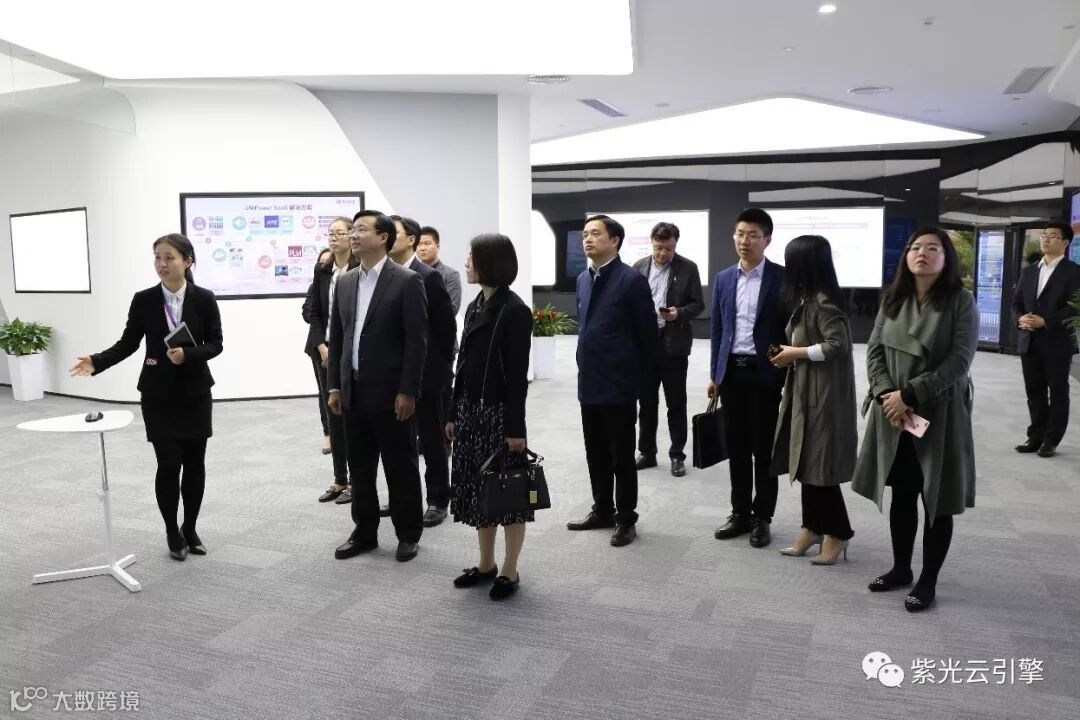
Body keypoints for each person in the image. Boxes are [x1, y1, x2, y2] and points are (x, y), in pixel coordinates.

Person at [70, 234, 223, 561]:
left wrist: (188, 354)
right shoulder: (144, 300)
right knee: (168, 464)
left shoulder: (205, 299)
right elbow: (128, 343)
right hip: (158, 395)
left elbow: (216, 344)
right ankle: (171, 531)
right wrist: (97, 361)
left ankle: (190, 528)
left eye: (169, 257)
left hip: (195, 393)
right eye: (157, 257)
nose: (162, 264)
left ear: (187, 261)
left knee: (194, 464)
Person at [852, 227, 977, 613]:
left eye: (933, 248)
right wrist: (886, 392)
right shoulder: (893, 298)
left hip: (938, 411)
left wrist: (908, 394)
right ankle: (901, 568)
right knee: (903, 492)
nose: (922, 253)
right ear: (906, 256)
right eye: (915, 247)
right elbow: (874, 350)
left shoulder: (960, 301)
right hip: (894, 413)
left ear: (946, 257)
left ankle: (928, 581)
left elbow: (959, 360)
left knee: (937, 497)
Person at [328, 210, 428, 562]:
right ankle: (365, 531)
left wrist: (408, 390)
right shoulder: (345, 281)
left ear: (383, 237)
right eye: (352, 230)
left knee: (400, 467)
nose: (353, 236)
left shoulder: (406, 281)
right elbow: (338, 339)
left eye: (361, 230)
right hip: (353, 392)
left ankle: (408, 533)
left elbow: (417, 342)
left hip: (392, 394)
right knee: (360, 468)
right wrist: (335, 386)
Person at [445, 234, 533, 600]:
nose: (466, 263)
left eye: (472, 257)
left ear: (491, 263)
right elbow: (463, 365)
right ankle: (486, 564)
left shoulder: (514, 311)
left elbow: (517, 378)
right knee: (479, 493)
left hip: (498, 416)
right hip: (470, 413)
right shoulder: (474, 306)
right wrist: (454, 411)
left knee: (508, 495)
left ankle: (510, 570)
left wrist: (515, 428)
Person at [566, 215, 656, 547]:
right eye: (585, 235)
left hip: (619, 383)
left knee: (621, 456)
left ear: (614, 240)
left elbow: (648, 337)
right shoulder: (583, 279)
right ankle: (602, 509)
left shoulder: (631, 280)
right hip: (589, 380)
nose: (587, 240)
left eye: (595, 234)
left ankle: (626, 518)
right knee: (596, 452)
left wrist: (639, 383)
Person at [769, 235, 857, 565]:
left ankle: (839, 532)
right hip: (806, 389)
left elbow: (838, 345)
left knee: (820, 466)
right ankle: (812, 527)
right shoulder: (808, 297)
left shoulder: (824, 301)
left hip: (824, 396)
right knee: (806, 460)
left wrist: (797, 353)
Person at [708, 208, 786, 548]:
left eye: (753, 235)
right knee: (736, 448)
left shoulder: (781, 277)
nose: (745, 240)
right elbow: (717, 329)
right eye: (740, 233)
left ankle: (762, 517)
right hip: (732, 374)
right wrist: (716, 373)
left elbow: (790, 327)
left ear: (767, 239)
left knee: (764, 450)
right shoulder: (724, 278)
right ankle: (739, 513)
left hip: (765, 373)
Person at [388, 214, 457, 526]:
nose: (388, 237)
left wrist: (437, 372)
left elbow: (445, 330)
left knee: (432, 441)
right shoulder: (385, 275)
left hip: (427, 376)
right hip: (393, 373)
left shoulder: (429, 276)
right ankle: (404, 498)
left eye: (394, 232)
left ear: (411, 239)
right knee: (399, 443)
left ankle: (438, 499)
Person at [632, 221, 704, 477]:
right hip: (645, 344)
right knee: (646, 403)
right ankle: (647, 452)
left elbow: (698, 304)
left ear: (675, 245)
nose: (663, 253)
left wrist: (678, 313)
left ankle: (677, 455)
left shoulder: (688, 268)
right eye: (659, 247)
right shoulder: (639, 266)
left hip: (674, 344)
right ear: (651, 243)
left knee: (676, 403)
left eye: (669, 249)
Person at [1011, 222, 1080, 458]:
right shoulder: (1029, 271)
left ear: (1065, 242)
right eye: (1044, 235)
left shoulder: (1074, 272)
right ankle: (1035, 436)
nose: (1046, 239)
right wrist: (1020, 319)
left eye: (1052, 236)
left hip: (1057, 342)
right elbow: (1016, 302)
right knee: (1034, 391)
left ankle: (1051, 440)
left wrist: (1046, 321)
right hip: (1029, 340)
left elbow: (1075, 307)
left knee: (1058, 391)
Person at [302, 219, 358, 504]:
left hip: (352, 354)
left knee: (353, 416)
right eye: (330, 233)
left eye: (340, 233)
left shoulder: (359, 269)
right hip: (324, 353)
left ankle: (357, 482)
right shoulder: (323, 269)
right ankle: (339, 479)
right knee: (333, 415)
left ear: (352, 236)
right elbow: (314, 312)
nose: (334, 238)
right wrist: (321, 346)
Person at [418, 225, 463, 314]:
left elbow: (452, 308)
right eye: (419, 244)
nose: (422, 248)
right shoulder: (410, 272)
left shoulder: (450, 274)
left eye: (427, 243)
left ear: (437, 247)